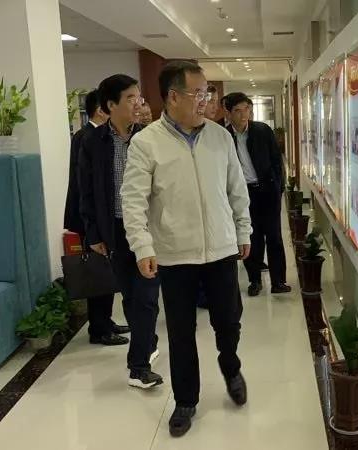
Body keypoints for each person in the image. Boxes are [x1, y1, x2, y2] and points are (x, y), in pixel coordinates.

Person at [120, 60, 252, 437]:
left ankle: (231, 366)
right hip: (175, 254)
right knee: (181, 332)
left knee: (228, 321)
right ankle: (185, 400)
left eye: (207, 92)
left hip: (221, 249)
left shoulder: (220, 137)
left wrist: (243, 230)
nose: (205, 100)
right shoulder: (146, 142)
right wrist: (142, 246)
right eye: (198, 93)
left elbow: (236, 188)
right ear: (173, 97)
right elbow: (133, 200)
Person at [78, 75, 163, 389]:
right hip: (114, 229)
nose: (138, 103)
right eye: (130, 98)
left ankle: (138, 366)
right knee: (130, 296)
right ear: (110, 106)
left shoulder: (151, 137)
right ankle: (147, 340)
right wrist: (93, 234)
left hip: (148, 231)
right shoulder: (92, 142)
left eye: (138, 97)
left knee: (146, 297)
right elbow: (85, 191)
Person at [64, 89, 129, 346]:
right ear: (102, 110)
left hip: (95, 216)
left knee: (106, 271)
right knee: (98, 272)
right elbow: (85, 185)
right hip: (89, 218)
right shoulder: (87, 136)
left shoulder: (97, 135)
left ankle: (105, 321)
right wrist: (91, 224)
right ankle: (99, 328)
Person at [224, 92, 291, 297]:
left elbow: (276, 160)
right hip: (243, 194)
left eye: (247, 109)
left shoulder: (262, 130)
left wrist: (278, 186)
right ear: (228, 113)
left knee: (274, 236)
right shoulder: (223, 136)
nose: (244, 114)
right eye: (238, 110)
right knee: (251, 237)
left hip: (267, 191)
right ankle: (254, 281)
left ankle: (278, 281)